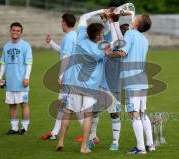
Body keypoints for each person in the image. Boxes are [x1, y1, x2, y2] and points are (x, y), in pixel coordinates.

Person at [56, 8, 110, 153]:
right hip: (89, 88)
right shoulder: (99, 50)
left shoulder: (80, 38)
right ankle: (83, 147)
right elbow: (110, 45)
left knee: (67, 112)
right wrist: (110, 20)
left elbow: (84, 17)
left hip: (73, 84)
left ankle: (60, 141)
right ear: (98, 36)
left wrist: (101, 11)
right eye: (101, 34)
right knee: (88, 117)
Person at [107, 14, 155, 154]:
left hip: (131, 80)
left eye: (136, 17)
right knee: (142, 113)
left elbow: (122, 52)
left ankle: (140, 148)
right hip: (142, 79)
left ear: (137, 23)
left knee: (134, 114)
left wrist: (109, 53)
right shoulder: (145, 40)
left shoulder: (130, 33)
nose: (133, 18)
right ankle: (150, 145)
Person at [41, 13, 83, 142]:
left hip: (70, 77)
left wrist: (60, 76)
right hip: (72, 76)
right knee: (63, 104)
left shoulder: (70, 37)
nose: (61, 24)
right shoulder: (72, 36)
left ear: (64, 23)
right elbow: (62, 50)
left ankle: (91, 135)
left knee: (73, 106)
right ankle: (54, 132)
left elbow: (66, 57)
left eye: (61, 22)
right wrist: (51, 42)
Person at [0, 22, 32, 135]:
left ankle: (25, 128)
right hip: (10, 82)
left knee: (24, 104)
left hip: (21, 82)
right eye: (13, 30)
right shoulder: (6, 46)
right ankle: (14, 128)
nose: (15, 32)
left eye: (18, 30)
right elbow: (3, 63)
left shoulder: (26, 46)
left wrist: (26, 78)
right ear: (10, 31)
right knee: (12, 105)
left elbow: (29, 63)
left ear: (21, 33)